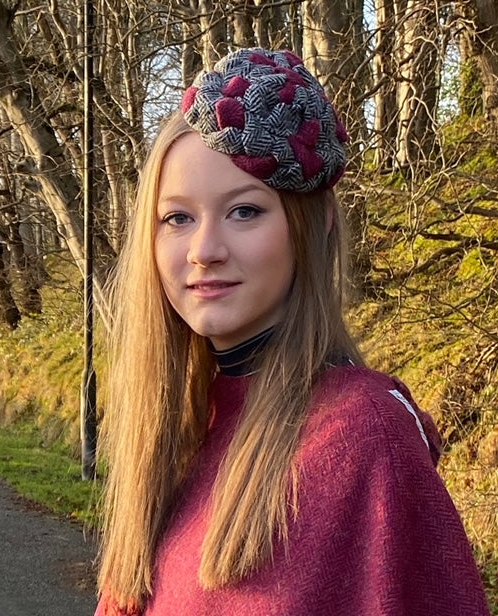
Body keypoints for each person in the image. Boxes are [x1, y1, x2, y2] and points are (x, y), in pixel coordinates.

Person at [95, 48, 491, 616]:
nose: (204, 251)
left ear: (316, 227)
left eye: (245, 211)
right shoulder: (178, 430)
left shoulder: (360, 437)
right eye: (177, 218)